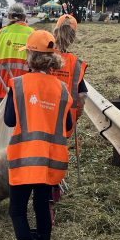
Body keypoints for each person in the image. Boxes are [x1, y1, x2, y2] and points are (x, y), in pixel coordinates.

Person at [5, 30, 73, 240]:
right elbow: (66, 125)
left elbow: (10, 120)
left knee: (17, 210)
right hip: (50, 161)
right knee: (42, 208)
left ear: (31, 56)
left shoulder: (19, 84)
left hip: (24, 160)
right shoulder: (62, 89)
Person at [50, 14, 88, 221]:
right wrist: (77, 115)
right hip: (64, 120)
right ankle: (53, 192)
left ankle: (44, 193)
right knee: (56, 156)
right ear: (73, 37)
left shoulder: (44, 55)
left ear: (54, 31)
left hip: (38, 115)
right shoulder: (75, 63)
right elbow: (81, 96)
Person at [0, 4, 34, 100]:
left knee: (4, 114)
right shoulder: (33, 34)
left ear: (9, 16)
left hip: (2, 86)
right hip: (24, 87)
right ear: (24, 17)